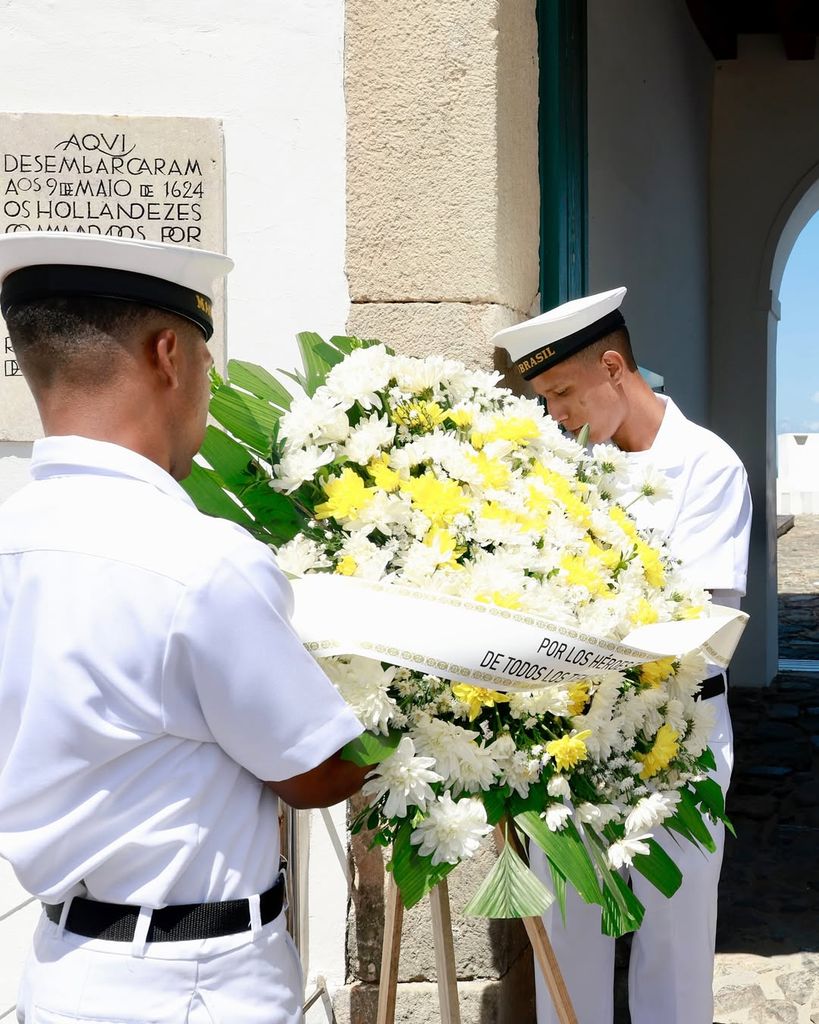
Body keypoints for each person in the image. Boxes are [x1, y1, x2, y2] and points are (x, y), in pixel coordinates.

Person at [0, 233, 369, 1024]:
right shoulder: (199, 561)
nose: (208, 384)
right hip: (199, 985)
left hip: (62, 972)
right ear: (168, 353)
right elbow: (318, 772)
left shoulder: (10, 537)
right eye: (209, 361)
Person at [494, 287, 752, 1024]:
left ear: (614, 366)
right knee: (565, 942)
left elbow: (698, 623)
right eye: (544, 401)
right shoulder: (566, 468)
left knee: (672, 944)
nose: (556, 417)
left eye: (562, 393)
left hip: (678, 737)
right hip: (570, 739)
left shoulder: (706, 466)